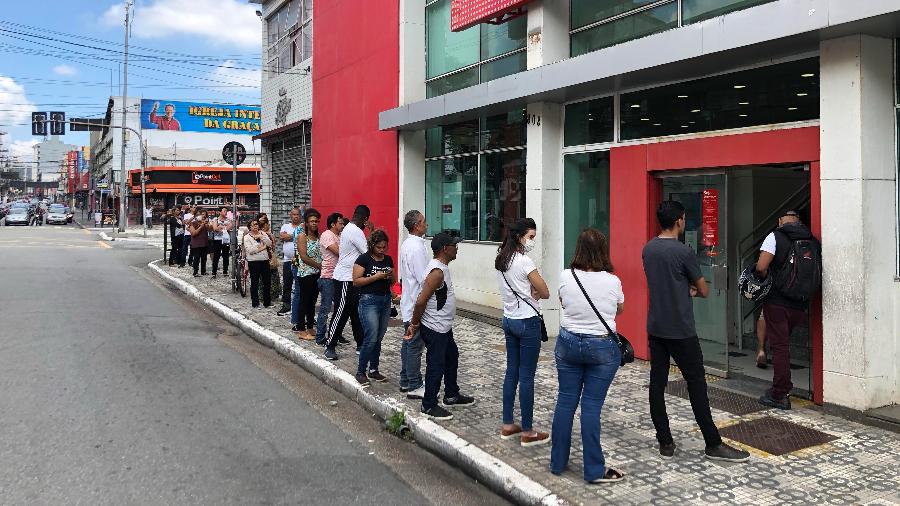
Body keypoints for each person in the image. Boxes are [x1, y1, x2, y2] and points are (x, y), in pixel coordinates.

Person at [643, 201, 750, 462]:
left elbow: (664, 283)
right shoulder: (684, 252)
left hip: (656, 326)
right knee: (697, 385)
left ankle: (665, 442)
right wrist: (689, 289)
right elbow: (702, 289)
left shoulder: (648, 249)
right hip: (681, 329)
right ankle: (713, 443)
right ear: (680, 221)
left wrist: (681, 287)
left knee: (657, 384)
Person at [550, 229, 625, 484]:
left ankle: (557, 462)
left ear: (578, 249)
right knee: (591, 407)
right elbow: (619, 309)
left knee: (565, 402)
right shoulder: (612, 281)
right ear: (603, 251)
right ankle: (593, 470)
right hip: (602, 348)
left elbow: (563, 302)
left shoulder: (565, 275)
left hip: (568, 343)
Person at [404, 232, 475, 420]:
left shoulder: (442, 267)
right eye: (454, 245)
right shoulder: (437, 272)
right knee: (436, 365)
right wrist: (414, 324)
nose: (457, 247)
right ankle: (428, 405)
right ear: (445, 249)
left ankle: (451, 395)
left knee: (452, 356)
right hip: (435, 328)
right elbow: (420, 302)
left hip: (443, 326)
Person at [754, 210, 820, 410]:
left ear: (780, 221)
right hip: (800, 304)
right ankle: (782, 387)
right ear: (798, 221)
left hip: (777, 302)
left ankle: (780, 393)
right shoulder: (813, 241)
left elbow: (761, 266)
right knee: (784, 345)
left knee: (780, 347)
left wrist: (766, 279)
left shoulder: (775, 236)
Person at [495, 217, 551, 447]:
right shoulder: (524, 262)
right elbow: (545, 291)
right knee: (527, 376)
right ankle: (528, 431)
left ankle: (508, 424)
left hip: (509, 320)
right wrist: (535, 291)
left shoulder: (501, 259)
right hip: (528, 322)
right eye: (530, 237)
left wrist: (531, 291)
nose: (532, 242)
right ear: (519, 237)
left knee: (512, 372)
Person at [324, 205, 371, 361]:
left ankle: (361, 344)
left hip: (352, 278)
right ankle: (330, 345)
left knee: (356, 313)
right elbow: (367, 253)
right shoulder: (355, 231)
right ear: (364, 219)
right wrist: (372, 231)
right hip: (345, 278)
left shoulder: (350, 229)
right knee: (341, 312)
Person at [352, 229, 396, 386]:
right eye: (379, 247)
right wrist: (375, 277)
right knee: (370, 337)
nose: (382, 250)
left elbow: (392, 282)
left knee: (378, 337)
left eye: (384, 247)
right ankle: (361, 371)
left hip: (384, 300)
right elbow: (356, 281)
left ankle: (374, 369)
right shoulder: (363, 259)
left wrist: (391, 275)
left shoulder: (388, 259)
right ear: (372, 246)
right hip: (368, 301)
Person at [399, 210, 430, 399]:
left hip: (409, 301)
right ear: (417, 225)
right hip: (415, 304)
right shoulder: (416, 247)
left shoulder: (410, 244)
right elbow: (423, 278)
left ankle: (405, 380)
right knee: (414, 346)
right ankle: (414, 384)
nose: (426, 224)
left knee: (408, 344)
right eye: (423, 221)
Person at [292, 209, 322, 339]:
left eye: (316, 221)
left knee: (312, 301)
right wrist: (320, 266)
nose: (314, 223)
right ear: (306, 223)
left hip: (316, 274)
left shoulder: (318, 237)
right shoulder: (302, 236)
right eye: (311, 221)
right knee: (304, 301)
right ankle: (301, 329)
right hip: (305, 273)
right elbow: (303, 257)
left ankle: (310, 326)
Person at [316, 213, 344, 346]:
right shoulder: (327, 235)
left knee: (340, 309)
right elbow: (338, 251)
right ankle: (320, 337)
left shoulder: (340, 236)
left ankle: (335, 334)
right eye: (340, 223)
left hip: (339, 277)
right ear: (333, 224)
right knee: (325, 309)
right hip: (328, 277)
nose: (342, 225)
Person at [278, 207, 303, 316]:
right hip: (288, 259)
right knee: (287, 282)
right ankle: (286, 305)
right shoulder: (285, 226)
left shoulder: (303, 227)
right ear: (290, 215)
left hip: (301, 260)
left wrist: (290, 236)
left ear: (300, 216)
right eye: (293, 214)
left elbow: (289, 237)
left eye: (297, 214)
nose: (295, 216)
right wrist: (296, 236)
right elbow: (282, 237)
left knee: (300, 284)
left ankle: (300, 306)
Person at [243, 219, 274, 308]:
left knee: (267, 282)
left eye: (256, 224)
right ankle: (255, 303)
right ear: (250, 227)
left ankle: (267, 302)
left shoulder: (263, 234)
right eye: (253, 225)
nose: (255, 226)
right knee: (255, 282)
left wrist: (261, 237)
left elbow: (269, 243)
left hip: (264, 261)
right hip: (254, 262)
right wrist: (262, 248)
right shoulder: (247, 237)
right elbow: (250, 250)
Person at [259, 215, 281, 303]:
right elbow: (273, 247)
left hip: (260, 258)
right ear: (265, 225)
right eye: (268, 224)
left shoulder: (256, 234)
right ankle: (271, 295)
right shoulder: (269, 234)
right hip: (269, 257)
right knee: (273, 276)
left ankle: (261, 295)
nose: (269, 225)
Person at [211, 207, 233, 278]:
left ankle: (225, 271)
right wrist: (224, 228)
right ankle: (214, 272)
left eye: (226, 211)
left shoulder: (229, 220)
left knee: (226, 256)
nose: (225, 212)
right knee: (216, 256)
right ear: (220, 212)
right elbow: (214, 228)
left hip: (226, 240)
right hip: (217, 239)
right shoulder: (215, 219)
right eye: (224, 211)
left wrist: (220, 227)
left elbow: (230, 227)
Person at [188, 209, 210, 277]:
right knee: (196, 258)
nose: (203, 216)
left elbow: (210, 229)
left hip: (204, 243)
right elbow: (193, 233)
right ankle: (195, 272)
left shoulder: (206, 223)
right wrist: (201, 226)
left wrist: (207, 224)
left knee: (204, 258)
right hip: (196, 244)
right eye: (202, 214)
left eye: (204, 215)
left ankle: (203, 271)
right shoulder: (193, 223)